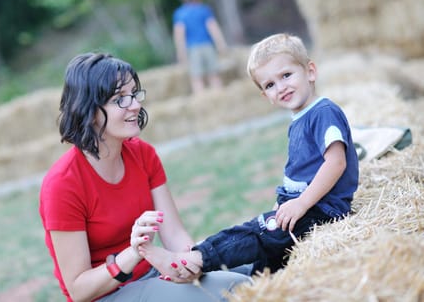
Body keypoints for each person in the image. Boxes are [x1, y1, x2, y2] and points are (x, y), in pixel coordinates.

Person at [140, 33, 359, 277]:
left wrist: (301, 203)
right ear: (266, 97)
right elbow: (302, 168)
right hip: (304, 207)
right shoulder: (301, 117)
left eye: (286, 75)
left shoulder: (323, 112)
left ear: (310, 72)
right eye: (270, 85)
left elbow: (336, 162)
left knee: (255, 233)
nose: (281, 87)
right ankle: (256, 285)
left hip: (321, 210)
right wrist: (287, 201)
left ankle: (197, 258)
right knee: (270, 256)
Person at [39, 52, 249, 302]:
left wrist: (187, 261)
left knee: (249, 269)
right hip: (107, 294)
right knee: (234, 289)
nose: (135, 105)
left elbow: (174, 234)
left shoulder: (143, 154)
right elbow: (79, 289)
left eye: (134, 94)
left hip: (151, 275)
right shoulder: (63, 184)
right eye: (120, 99)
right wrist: (135, 252)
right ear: (90, 110)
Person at [173, 0, 228, 94]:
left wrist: (181, 53)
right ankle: (219, 97)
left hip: (192, 49)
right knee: (214, 75)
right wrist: (221, 44)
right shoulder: (204, 10)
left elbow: (179, 35)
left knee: (196, 78)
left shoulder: (180, 14)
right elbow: (213, 28)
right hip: (207, 46)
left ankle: (202, 99)